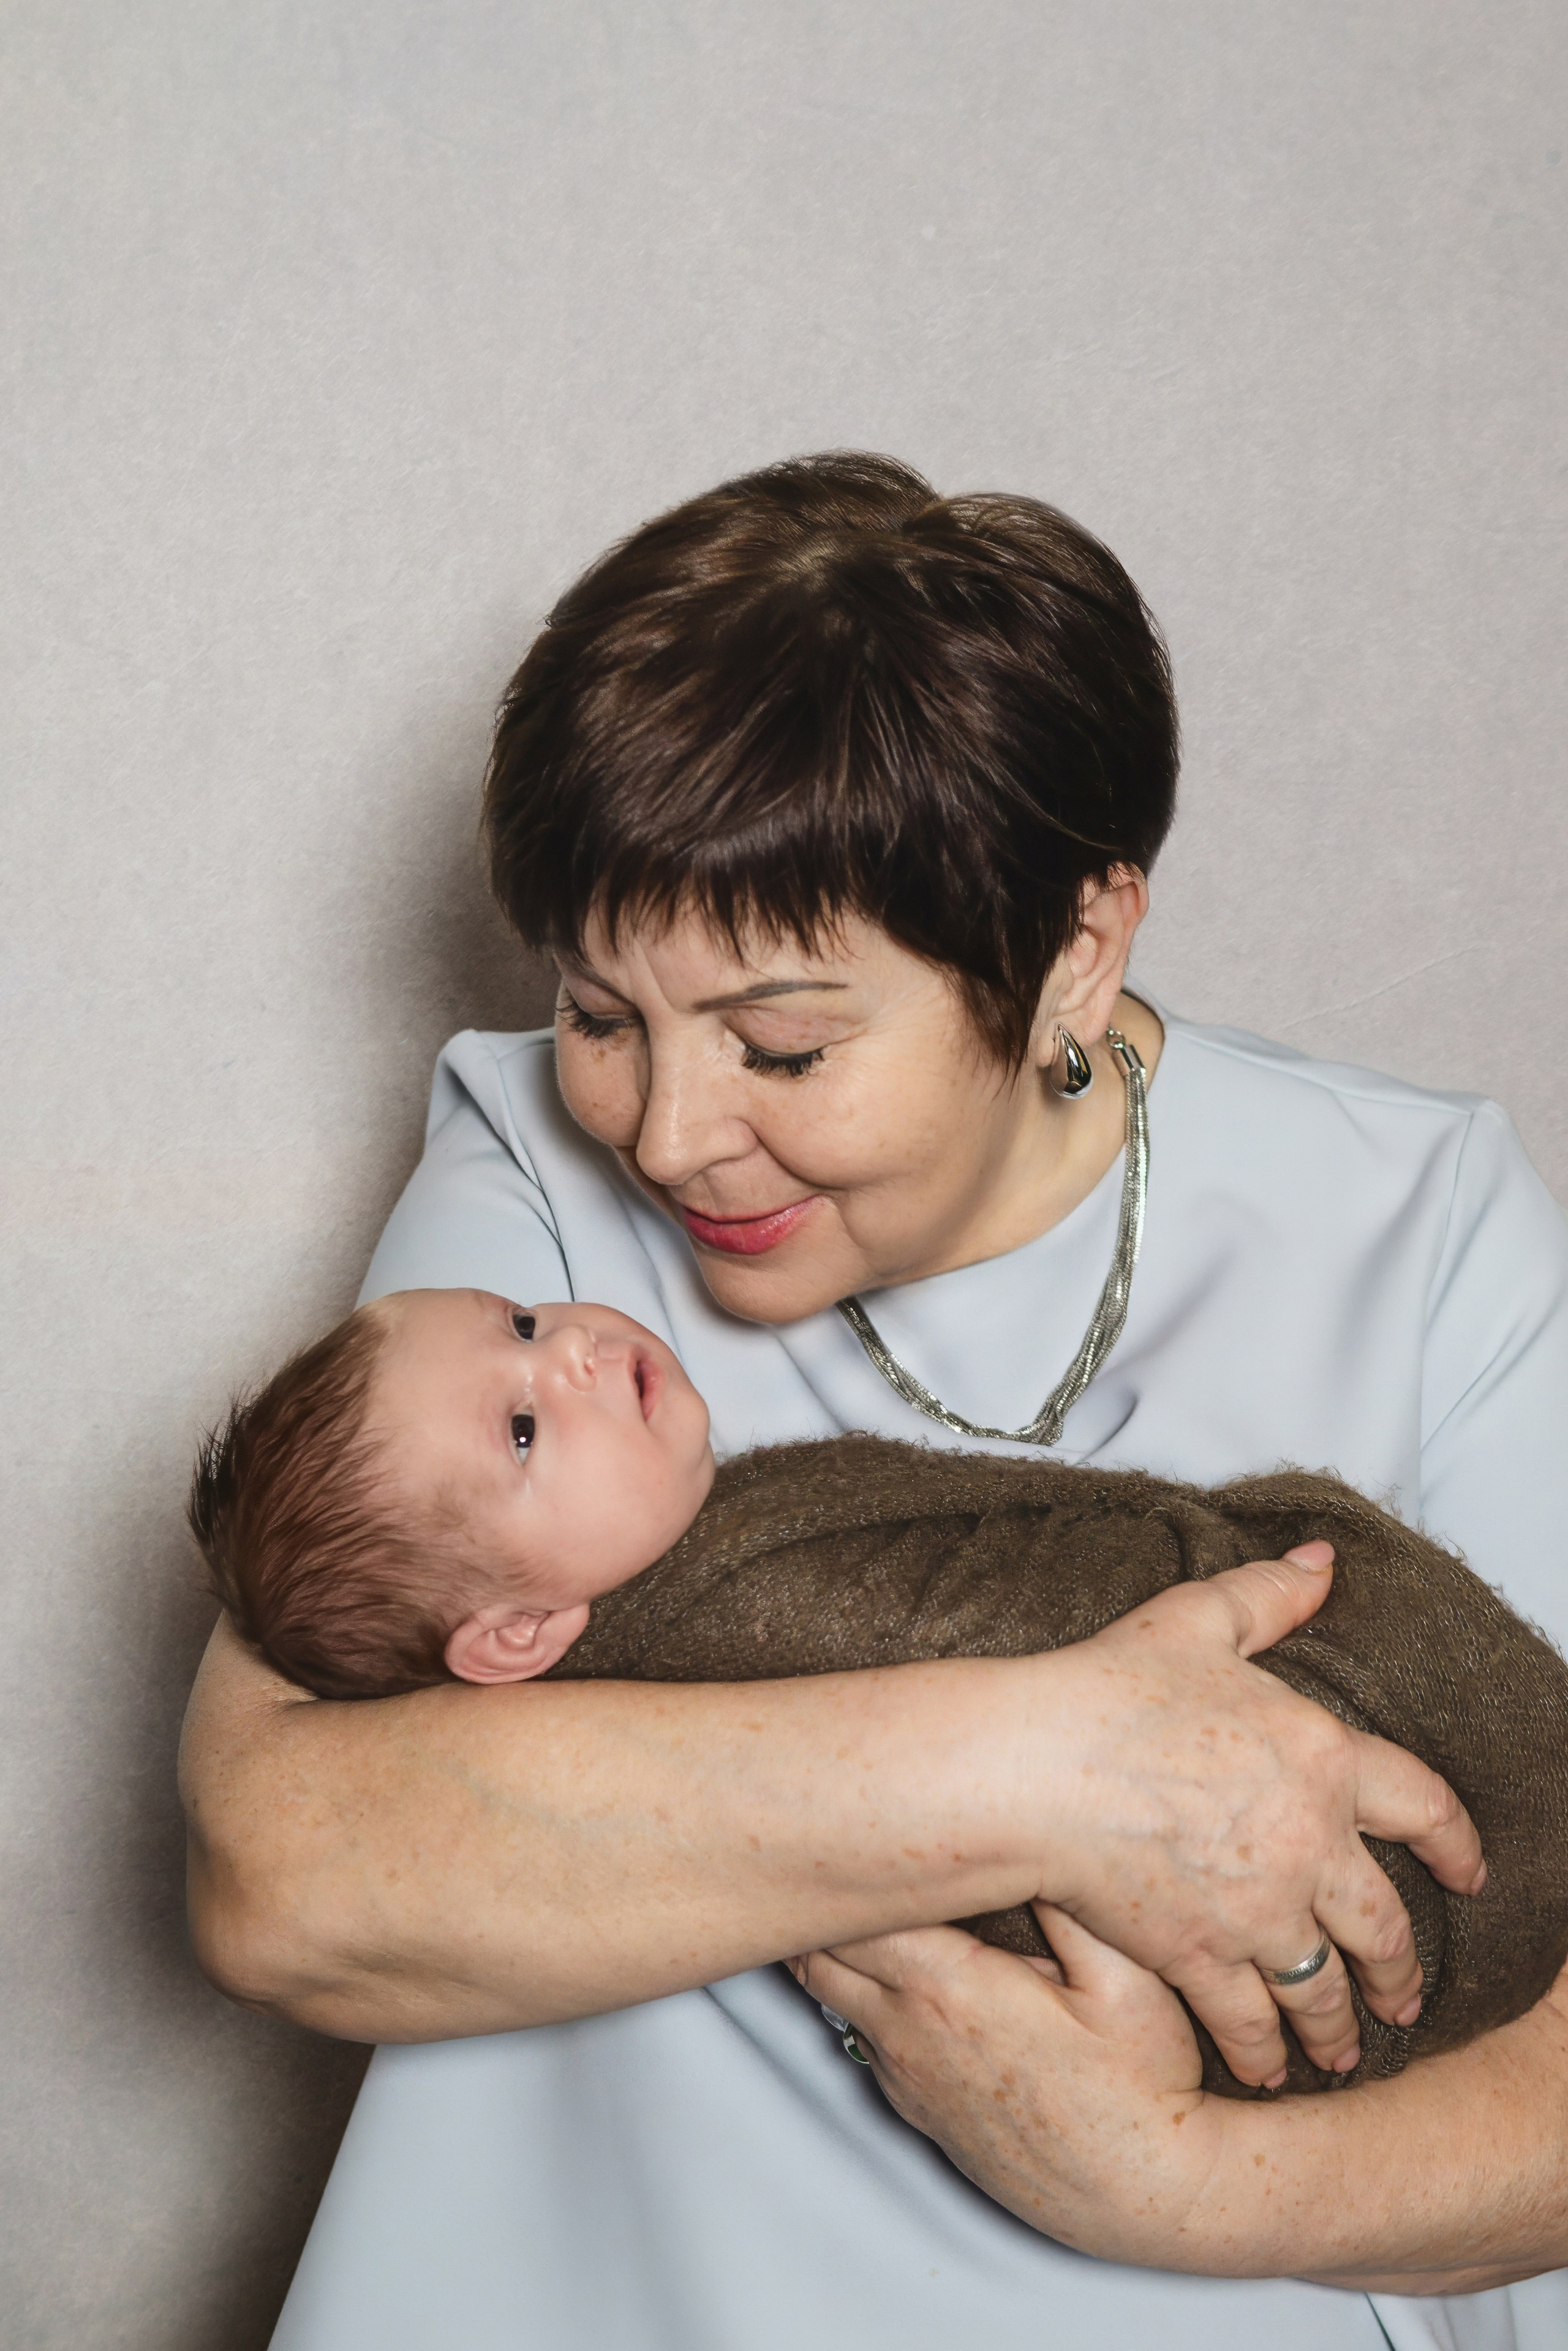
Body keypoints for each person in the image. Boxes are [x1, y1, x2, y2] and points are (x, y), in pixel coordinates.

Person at [179, 454, 1568, 2349]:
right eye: (601, 1016)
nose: (665, 1134)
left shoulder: (1423, 1225)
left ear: (1075, 948)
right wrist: (1066, 1770)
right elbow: (287, 1859)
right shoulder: (527, 1205)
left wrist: (1169, 2182)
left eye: (782, 1045)